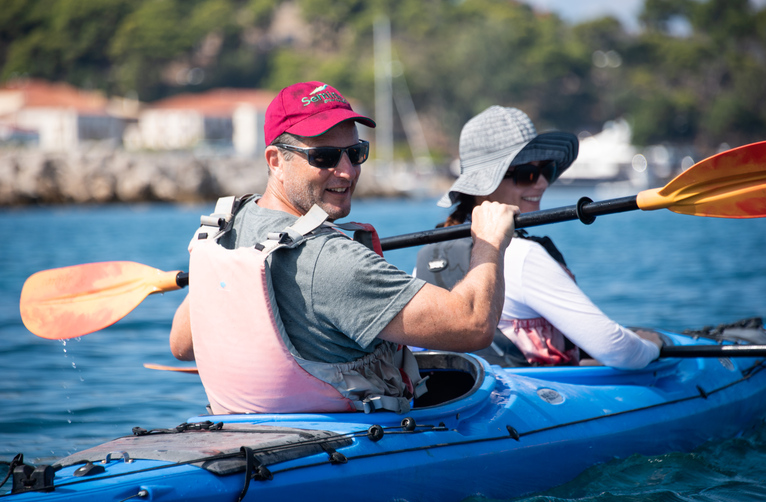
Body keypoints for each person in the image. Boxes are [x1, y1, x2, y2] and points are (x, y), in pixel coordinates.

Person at [169, 82, 518, 415]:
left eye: (356, 153)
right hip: (348, 444)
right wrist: (489, 242)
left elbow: (182, 344)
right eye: (324, 157)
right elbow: (473, 325)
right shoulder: (333, 261)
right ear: (275, 160)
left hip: (246, 428)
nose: (347, 172)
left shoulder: (224, 230)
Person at [415, 105, 662, 369]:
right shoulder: (522, 256)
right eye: (528, 175)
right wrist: (652, 345)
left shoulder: (428, 255)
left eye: (548, 170)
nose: (542, 183)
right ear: (484, 185)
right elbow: (619, 352)